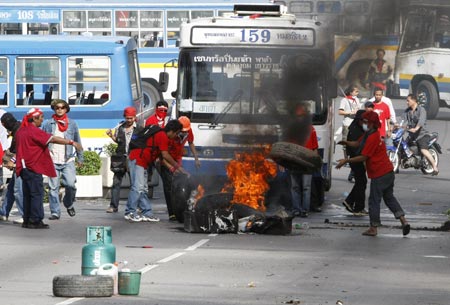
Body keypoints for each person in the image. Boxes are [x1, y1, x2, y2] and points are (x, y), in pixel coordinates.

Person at [336, 111, 410, 237]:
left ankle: (373, 227)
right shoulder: (369, 134)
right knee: (389, 198)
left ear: (371, 123)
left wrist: (346, 160)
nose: (363, 124)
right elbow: (358, 143)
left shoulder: (372, 137)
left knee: (374, 201)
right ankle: (403, 220)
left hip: (379, 173)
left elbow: (364, 157)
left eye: (365, 122)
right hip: (388, 171)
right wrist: (346, 143)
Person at [16, 108, 82, 229]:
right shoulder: (33, 131)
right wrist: (71, 142)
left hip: (23, 168)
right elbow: (53, 139)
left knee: (27, 195)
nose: (42, 119)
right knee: (36, 194)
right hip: (33, 167)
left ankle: (27, 219)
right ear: (34, 118)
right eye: (41, 117)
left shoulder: (21, 131)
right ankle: (35, 220)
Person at [125, 119, 188, 222]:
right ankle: (130, 212)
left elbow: (162, 158)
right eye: (176, 133)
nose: (176, 136)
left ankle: (147, 212)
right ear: (172, 131)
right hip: (138, 159)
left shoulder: (161, 135)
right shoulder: (162, 135)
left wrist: (173, 169)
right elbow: (165, 155)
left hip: (143, 161)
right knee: (138, 187)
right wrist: (178, 167)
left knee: (144, 188)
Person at [41, 99, 83, 220]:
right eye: (57, 107)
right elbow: (42, 140)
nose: (59, 109)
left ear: (66, 109)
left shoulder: (72, 124)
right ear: (54, 109)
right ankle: (55, 212)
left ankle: (68, 202)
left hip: (67, 160)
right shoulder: (48, 124)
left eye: (62, 107)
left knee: (70, 184)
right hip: (53, 160)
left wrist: (80, 158)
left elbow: (77, 141)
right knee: (53, 188)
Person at [161, 116, 200, 221]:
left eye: (185, 131)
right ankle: (172, 213)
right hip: (166, 160)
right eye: (181, 131)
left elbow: (191, 143)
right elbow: (162, 156)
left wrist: (196, 158)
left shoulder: (188, 131)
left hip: (177, 160)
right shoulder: (169, 135)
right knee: (169, 186)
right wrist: (171, 168)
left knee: (183, 180)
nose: (183, 133)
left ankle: (184, 206)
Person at [105, 106, 141, 213]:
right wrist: (111, 136)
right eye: (127, 118)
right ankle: (113, 206)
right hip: (120, 159)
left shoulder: (139, 128)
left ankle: (137, 206)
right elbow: (118, 141)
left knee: (135, 184)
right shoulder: (120, 128)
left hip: (133, 159)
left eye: (131, 118)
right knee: (116, 182)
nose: (129, 120)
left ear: (135, 117)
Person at [288, 102, 319, 218]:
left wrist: (315, 162)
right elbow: (287, 147)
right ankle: (296, 209)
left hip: (307, 161)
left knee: (306, 187)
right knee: (295, 187)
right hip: (294, 161)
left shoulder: (311, 129)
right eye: (298, 116)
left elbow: (315, 147)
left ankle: (304, 209)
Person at [402, 94, 439, 175]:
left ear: (414, 100)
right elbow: (402, 121)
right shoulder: (407, 111)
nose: (407, 102)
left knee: (423, 150)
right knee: (403, 148)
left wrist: (416, 128)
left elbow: (421, 122)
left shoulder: (421, 110)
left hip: (422, 135)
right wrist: (395, 126)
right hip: (411, 135)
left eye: (408, 100)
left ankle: (435, 168)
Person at [341, 110, 368, 216]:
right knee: (361, 183)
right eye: (363, 120)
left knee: (361, 182)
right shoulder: (355, 130)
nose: (365, 123)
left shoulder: (357, 128)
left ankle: (350, 201)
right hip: (356, 159)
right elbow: (356, 146)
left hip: (358, 159)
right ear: (358, 120)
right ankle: (358, 207)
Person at [0, 113, 24, 224]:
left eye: (4, 124)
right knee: (11, 189)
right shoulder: (17, 129)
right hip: (18, 163)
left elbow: (21, 150)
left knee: (18, 190)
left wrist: (12, 161)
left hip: (21, 165)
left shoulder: (19, 132)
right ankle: (4, 212)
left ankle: (24, 215)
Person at [339, 85, 362, 160]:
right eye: (356, 91)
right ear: (351, 92)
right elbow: (340, 112)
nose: (357, 93)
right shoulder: (344, 100)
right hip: (347, 124)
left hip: (355, 124)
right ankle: (346, 158)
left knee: (355, 141)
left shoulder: (357, 100)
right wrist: (350, 113)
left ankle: (353, 157)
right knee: (346, 142)